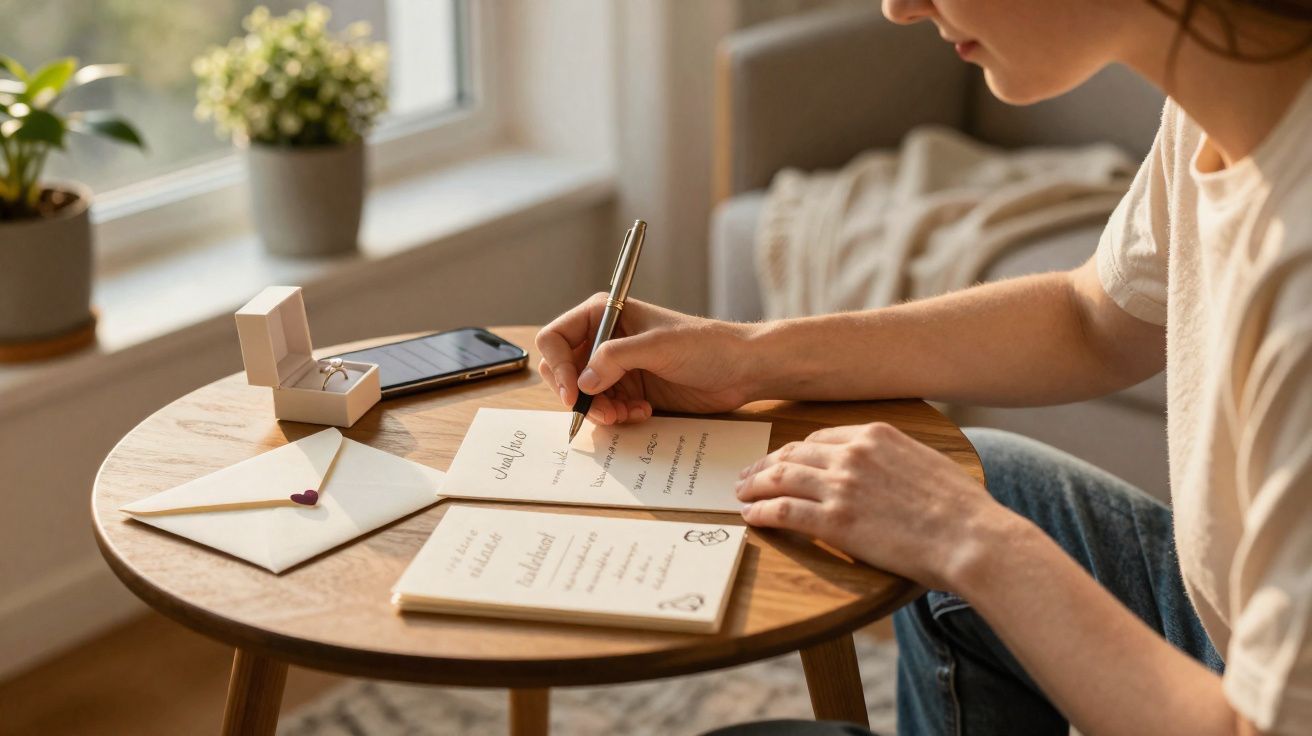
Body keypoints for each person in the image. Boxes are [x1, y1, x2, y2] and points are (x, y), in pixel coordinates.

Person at [536, 0, 1312, 734]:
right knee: (987, 476)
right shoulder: (1223, 95)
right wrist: (746, 357)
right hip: (1236, 629)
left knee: (959, 516)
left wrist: (968, 540)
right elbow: (1092, 320)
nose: (898, 7)